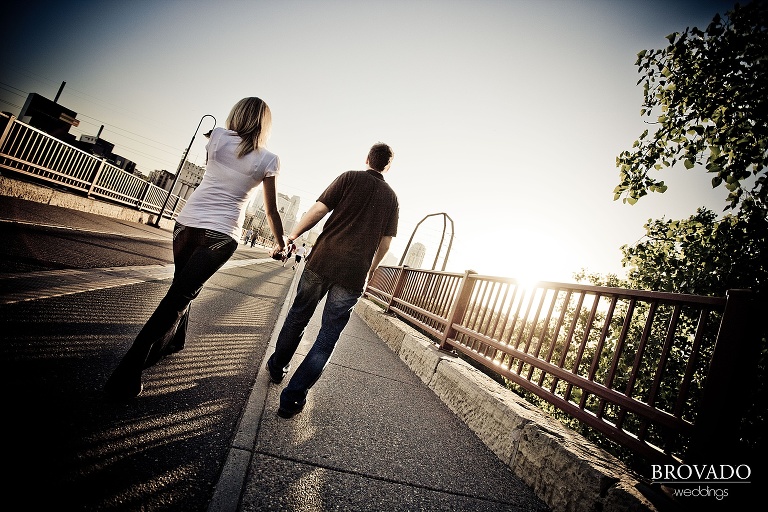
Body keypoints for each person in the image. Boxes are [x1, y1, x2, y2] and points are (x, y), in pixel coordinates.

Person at [104, 97, 285, 400]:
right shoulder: (269, 159)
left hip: (186, 224)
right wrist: (281, 244)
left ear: (237, 115)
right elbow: (271, 211)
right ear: (265, 124)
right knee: (179, 295)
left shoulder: (214, 138)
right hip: (222, 233)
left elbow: (215, 171)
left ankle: (176, 341)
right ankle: (128, 369)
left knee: (183, 286)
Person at [266, 142, 398, 418]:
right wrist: (371, 268)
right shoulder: (392, 198)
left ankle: (277, 368)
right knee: (327, 337)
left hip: (323, 260)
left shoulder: (349, 177)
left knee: (298, 315)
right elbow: (385, 244)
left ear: (367, 159)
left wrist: (292, 236)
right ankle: (291, 399)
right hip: (353, 274)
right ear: (387, 166)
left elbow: (318, 211)